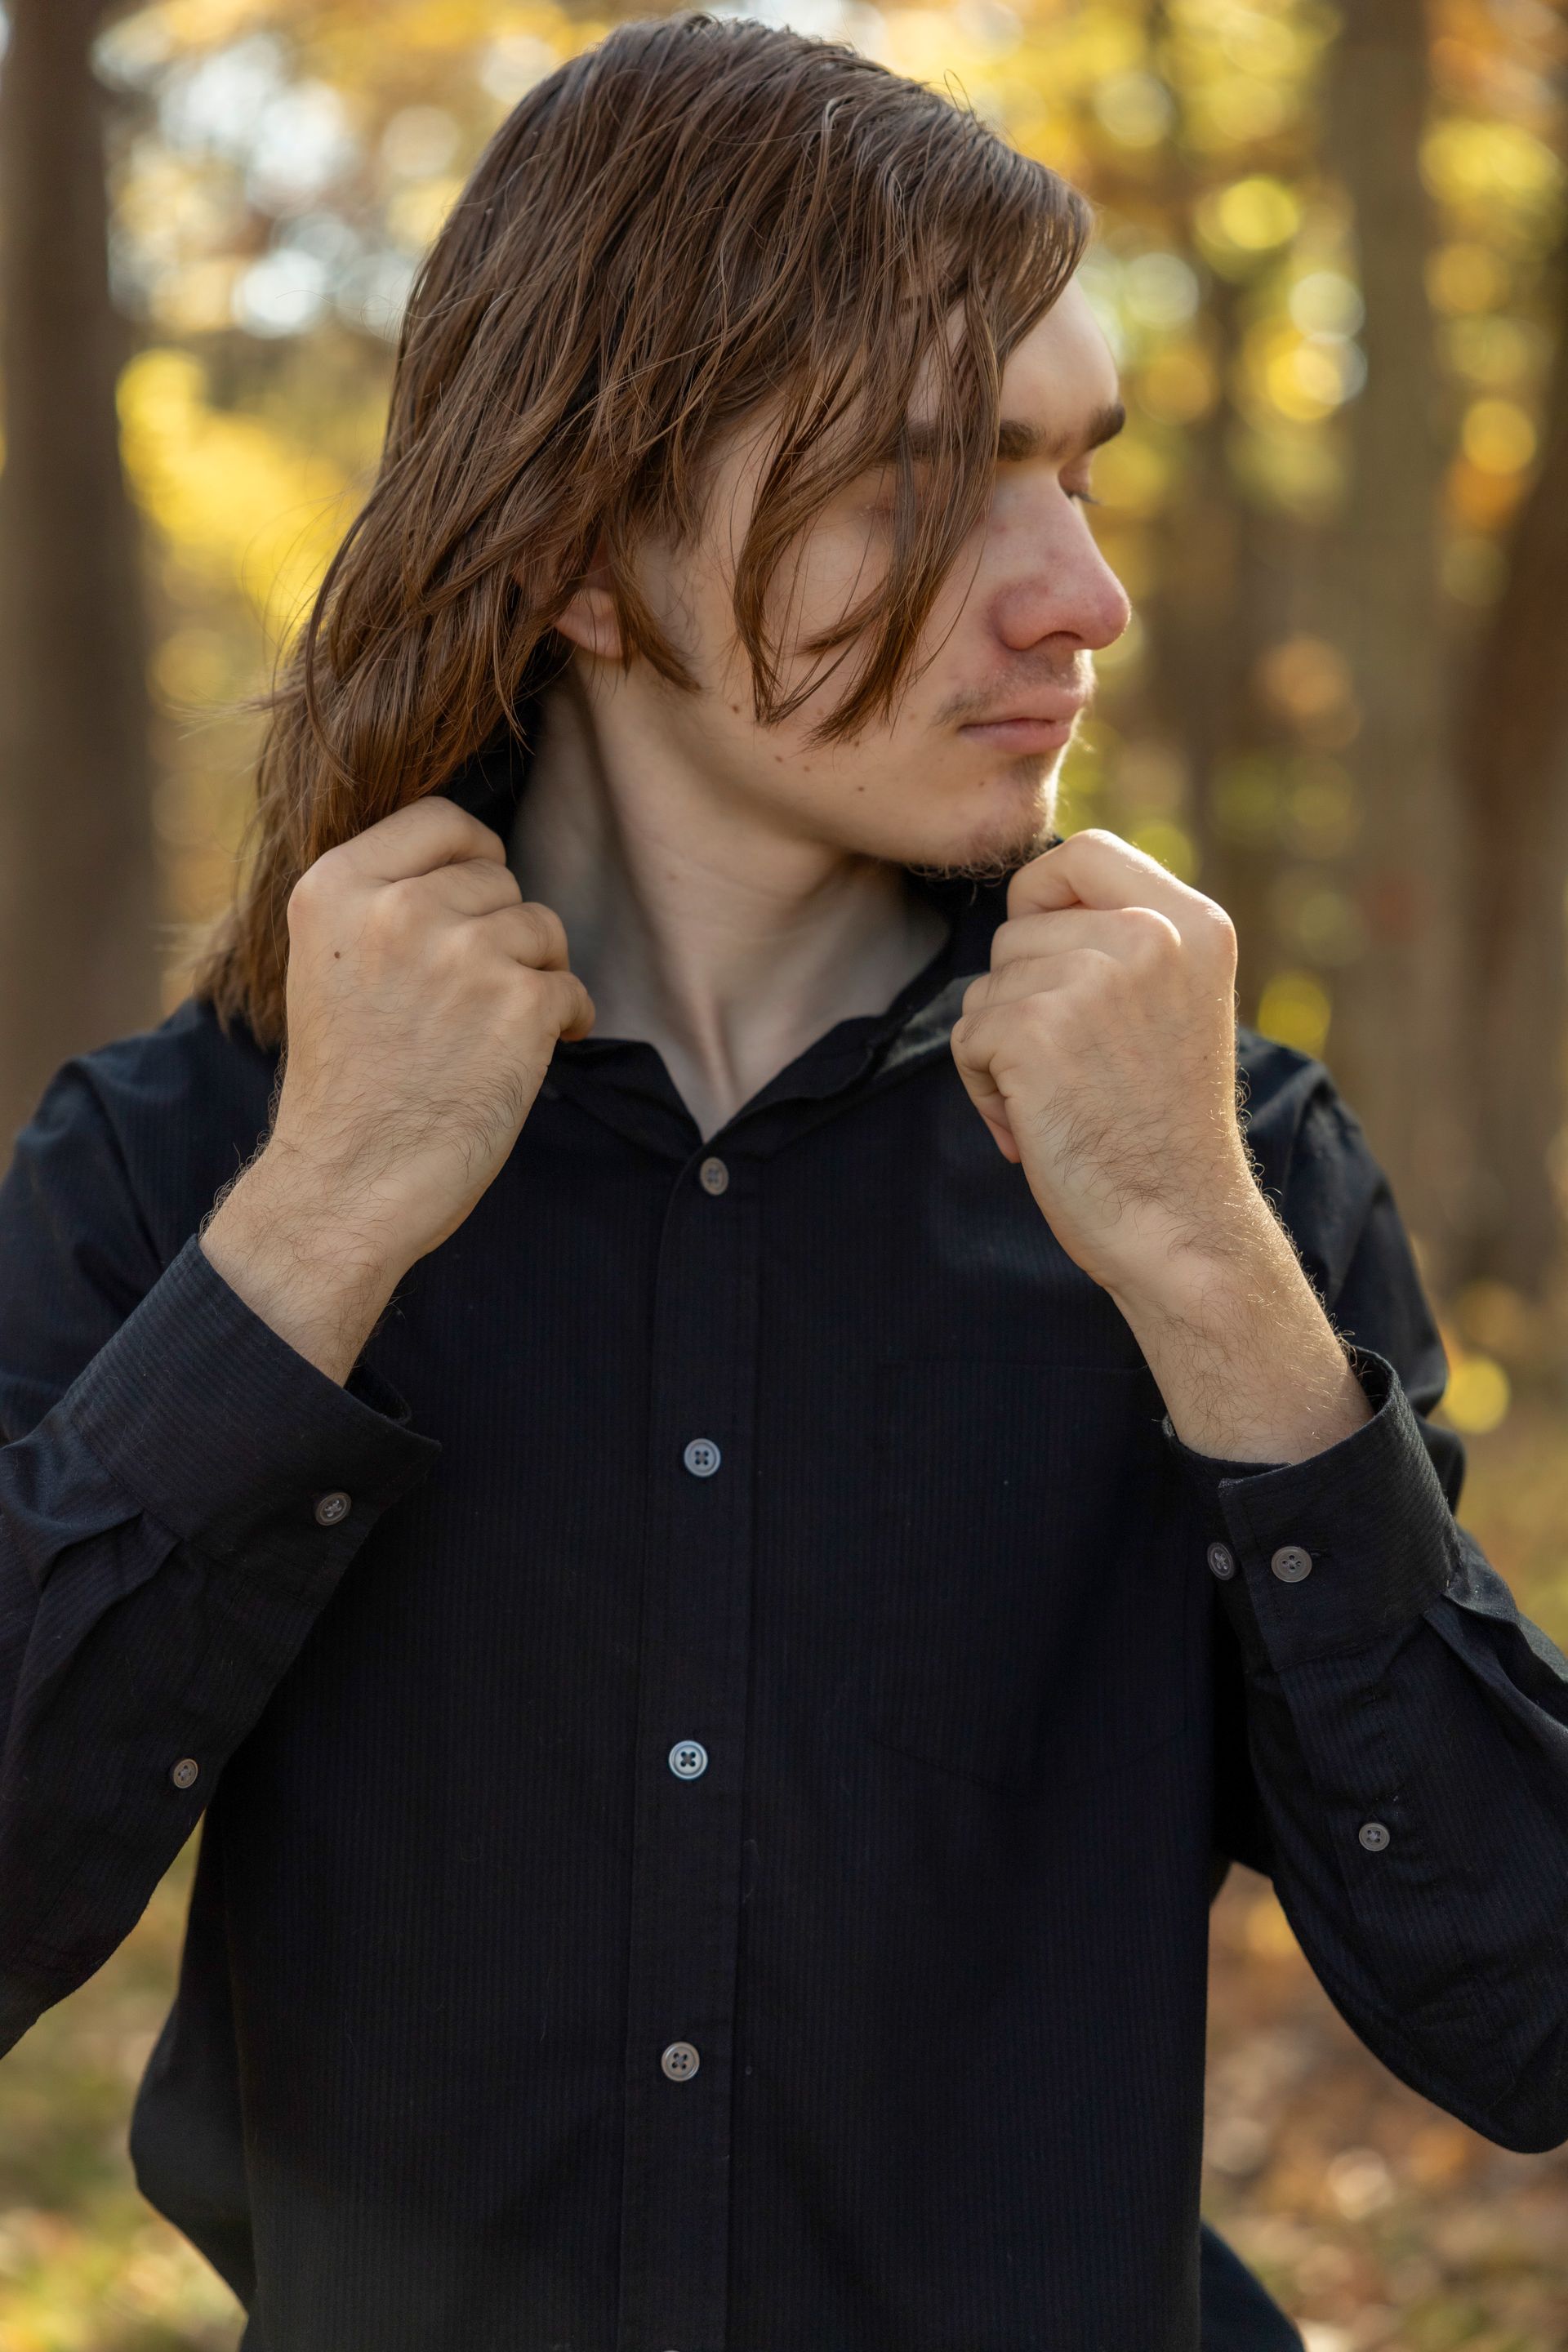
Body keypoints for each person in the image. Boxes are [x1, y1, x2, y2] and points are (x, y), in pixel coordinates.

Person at [2, 17, 1566, 2350]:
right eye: (933, 478)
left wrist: (1218, 1289)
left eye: (1081, 473)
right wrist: (320, 1231)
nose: (1079, 599)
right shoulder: (192, 1160)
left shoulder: (1227, 1168)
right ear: (584, 559)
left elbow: (1522, 2007)